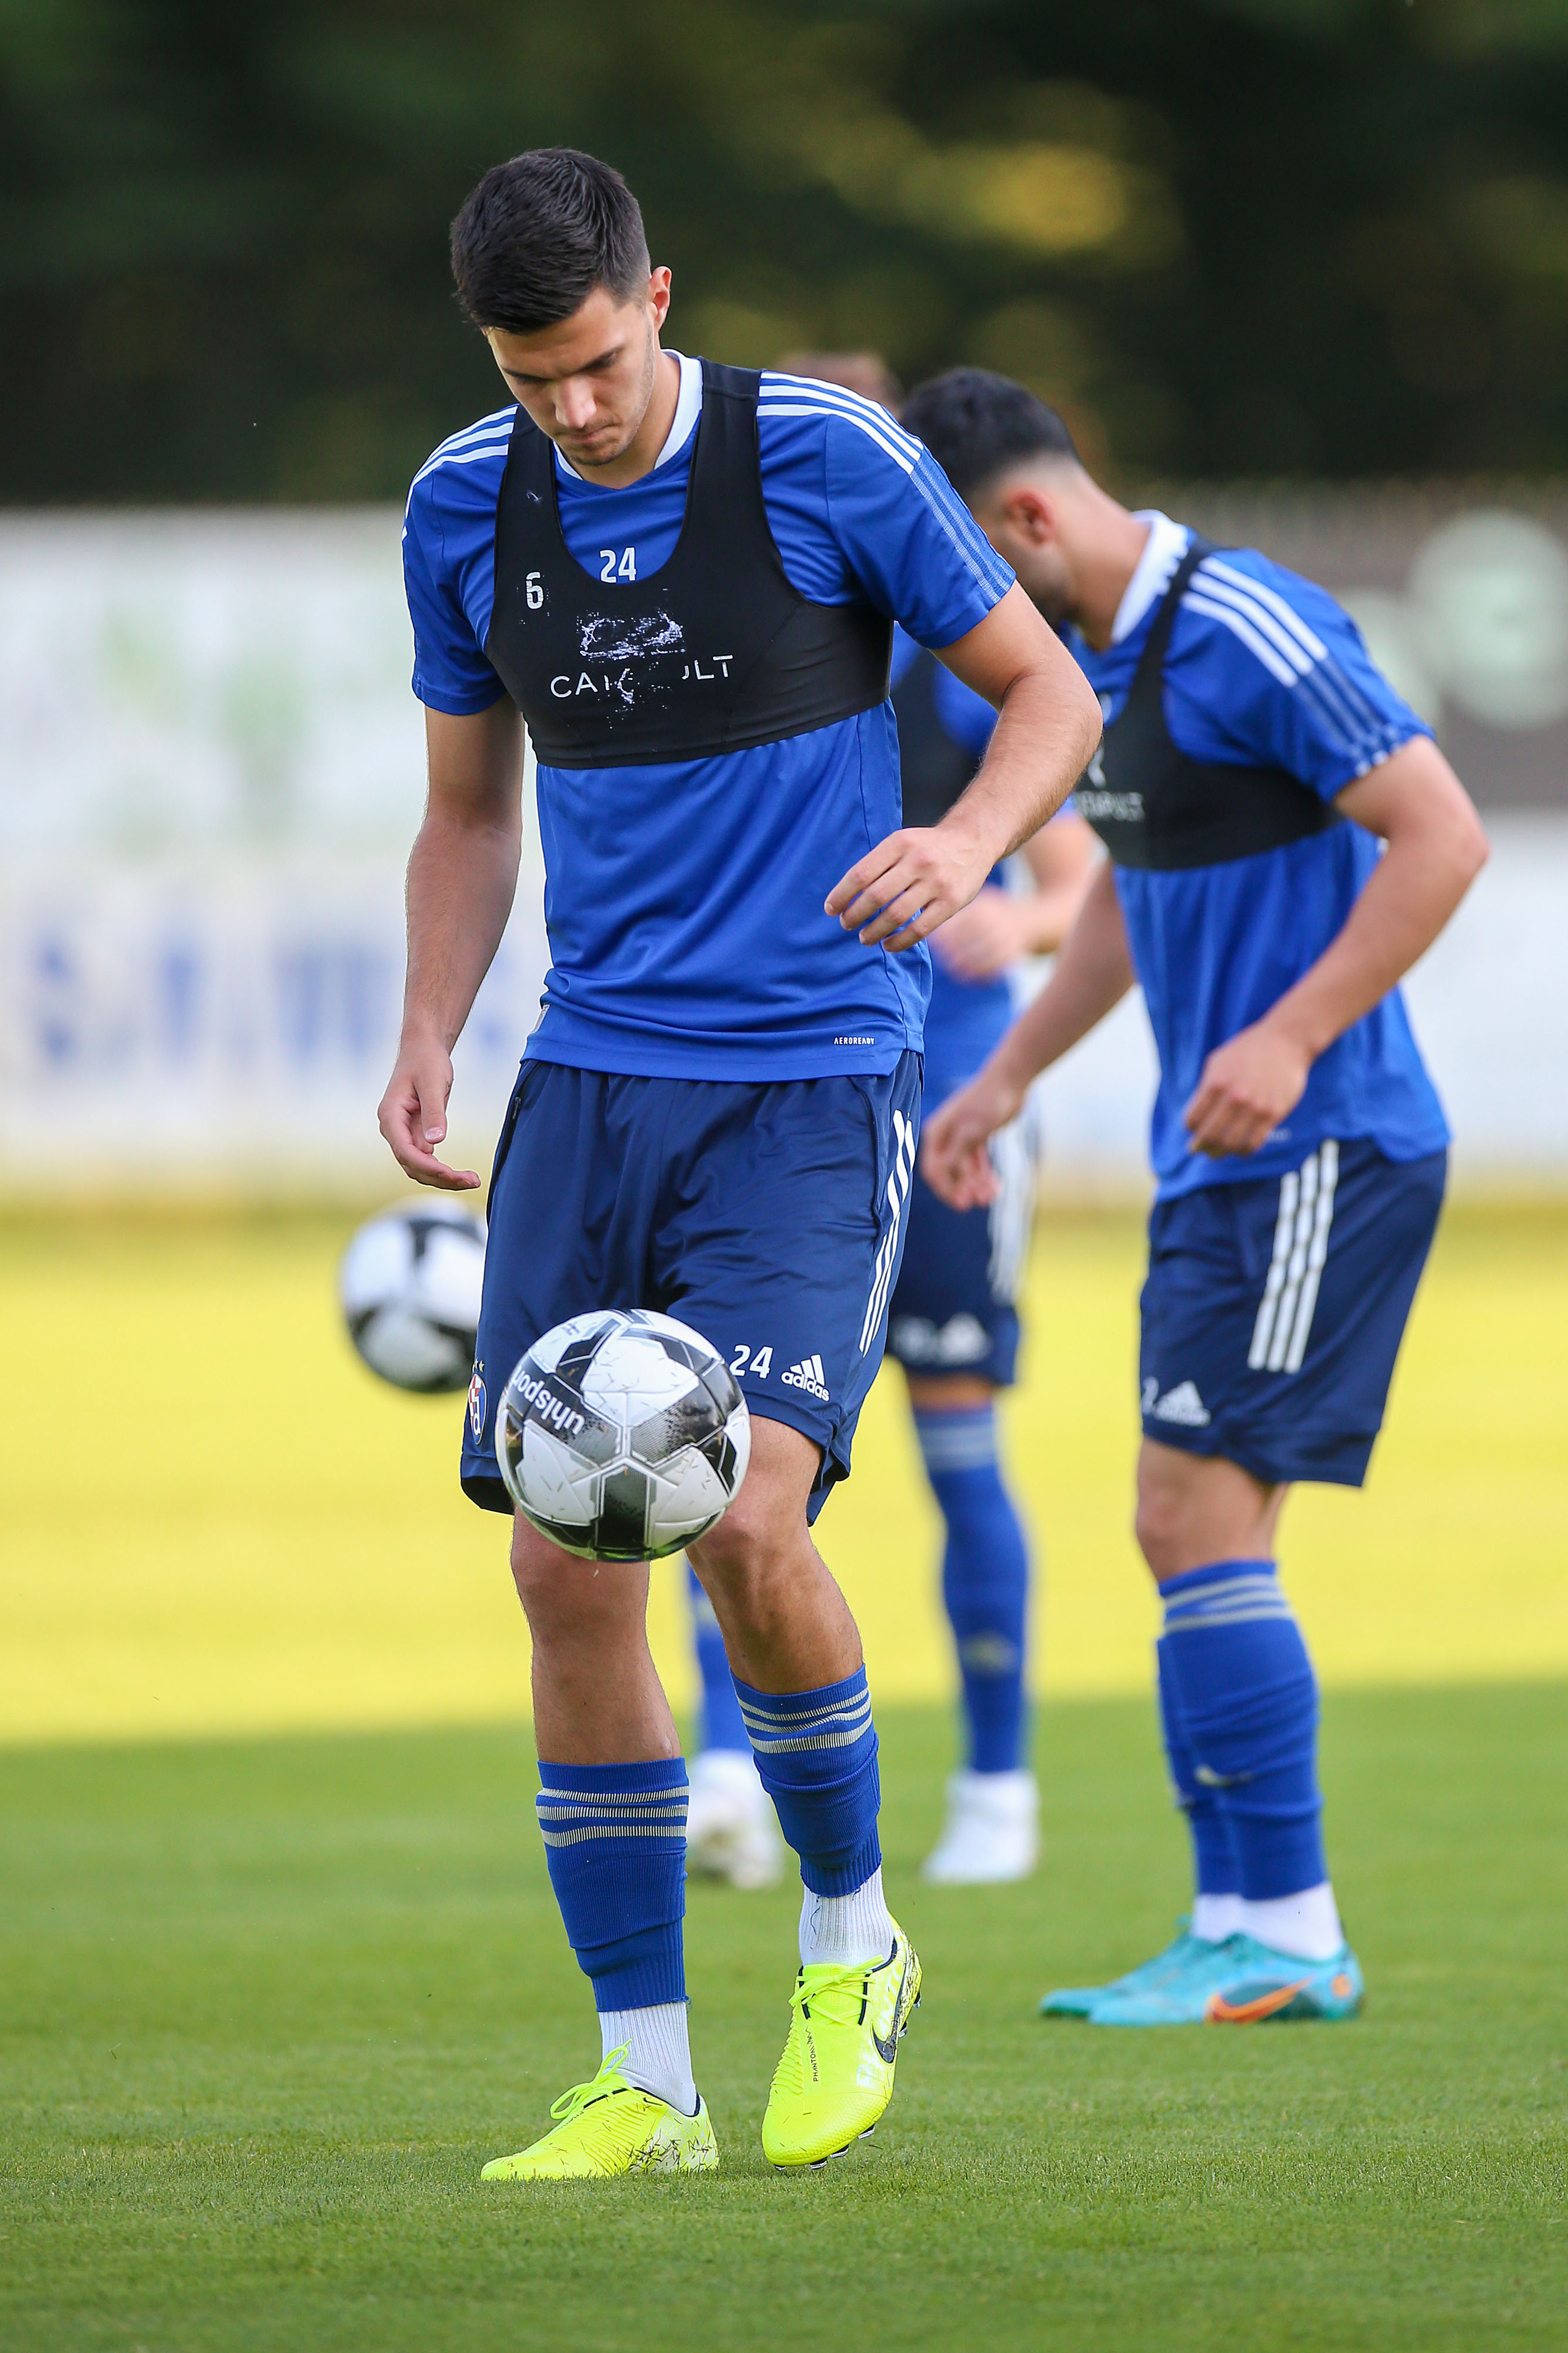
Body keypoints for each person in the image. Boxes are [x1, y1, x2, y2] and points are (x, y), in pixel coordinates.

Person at [381, 161, 1100, 2177]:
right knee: (558, 1562)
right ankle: (646, 2080)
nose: (570, 411)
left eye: (595, 365)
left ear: (658, 300)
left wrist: (964, 846)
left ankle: (852, 1944)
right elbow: (468, 812)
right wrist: (432, 1024)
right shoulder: (464, 503)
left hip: (806, 1081)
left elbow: (1047, 695)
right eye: (528, 379)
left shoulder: (826, 457)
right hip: (585, 1084)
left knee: (743, 1520)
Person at [910, 369, 1487, 2025]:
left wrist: (1293, 1037)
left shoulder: (1246, 622)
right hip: (1222, 1158)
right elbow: (1120, 895)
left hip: (1324, 1145)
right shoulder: (1088, 666)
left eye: (960, 571)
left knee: (1192, 1519)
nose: (953, 617)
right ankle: (1239, 1921)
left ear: (1028, 519)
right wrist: (1009, 1076)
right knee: (1185, 1527)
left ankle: (1287, 1929)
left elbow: (1441, 836)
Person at [683, 351, 1096, 1889]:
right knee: (713, 1446)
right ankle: (725, 1779)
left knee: (957, 1449)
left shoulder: (963, 652)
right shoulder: (731, 645)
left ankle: (997, 1786)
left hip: (946, 1108)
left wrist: (1013, 913)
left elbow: (1077, 884)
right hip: (779, 1096)